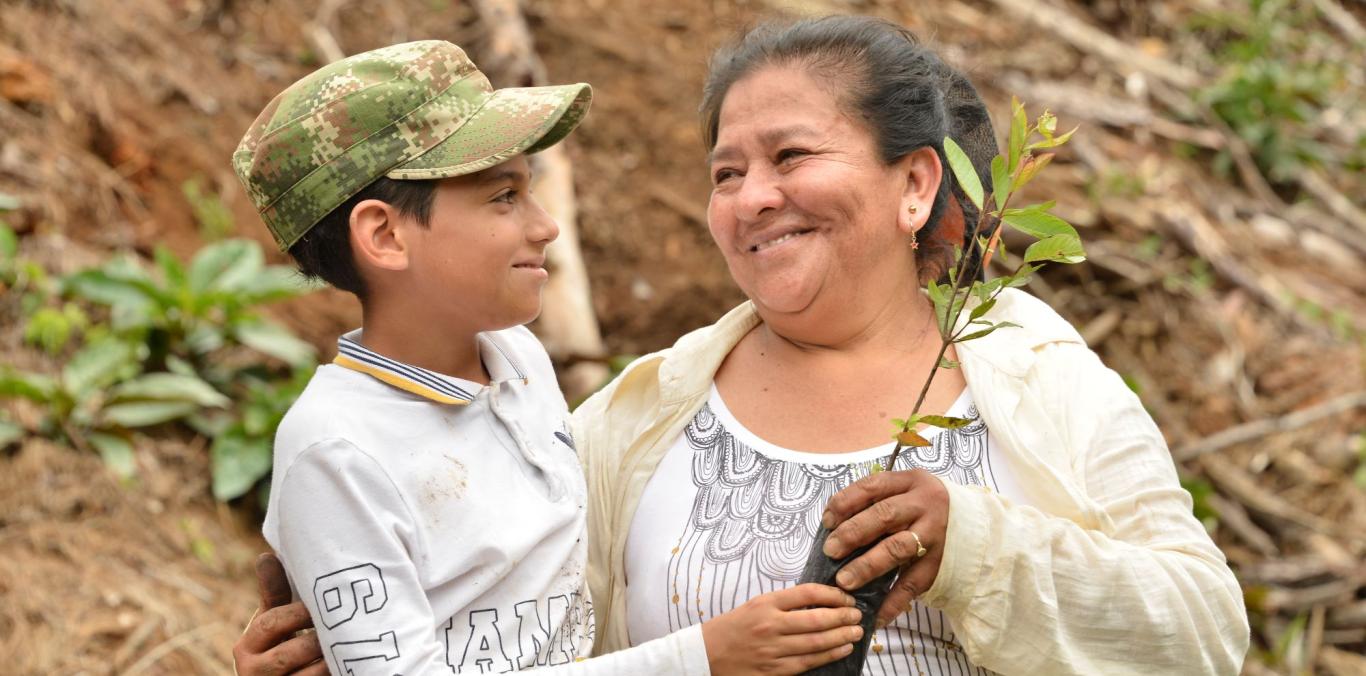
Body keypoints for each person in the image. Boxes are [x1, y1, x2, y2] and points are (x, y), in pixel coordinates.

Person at [235, 17, 1250, 676]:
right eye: (727, 173)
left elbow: (1206, 631)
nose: (753, 196)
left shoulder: (1034, 376)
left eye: (792, 156)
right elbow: (514, 624)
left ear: (915, 185)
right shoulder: (641, 417)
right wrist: (335, 647)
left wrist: (975, 550)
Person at [230, 39, 862, 676]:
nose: (545, 225)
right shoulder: (337, 452)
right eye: (503, 197)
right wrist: (701, 657)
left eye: (529, 190)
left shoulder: (518, 360)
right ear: (385, 234)